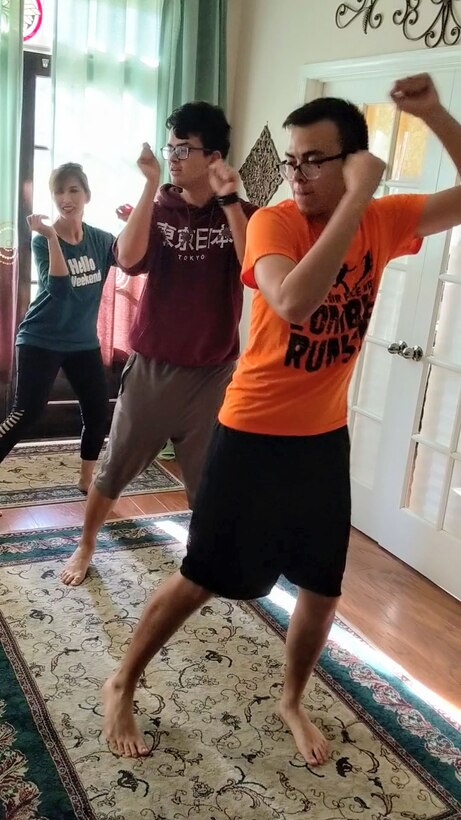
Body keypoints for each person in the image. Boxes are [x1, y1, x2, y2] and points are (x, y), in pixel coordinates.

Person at [100, 74, 461, 764]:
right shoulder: (274, 222)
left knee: (322, 588)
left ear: (351, 160)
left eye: (311, 160)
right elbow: (293, 302)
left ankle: (290, 697)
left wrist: (438, 114)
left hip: (321, 440)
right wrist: (356, 198)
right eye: (290, 159)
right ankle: (123, 679)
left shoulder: (382, 221)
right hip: (251, 434)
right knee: (203, 574)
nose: (294, 173)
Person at [60, 101, 256, 586]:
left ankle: (202, 560)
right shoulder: (160, 205)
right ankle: (85, 546)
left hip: (212, 374)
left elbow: (255, 266)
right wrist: (149, 186)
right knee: (114, 467)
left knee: (207, 482)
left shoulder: (241, 213)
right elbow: (125, 259)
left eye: (182, 149)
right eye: (170, 146)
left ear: (212, 156)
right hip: (153, 368)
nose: (172, 156)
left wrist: (230, 203)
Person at [0, 163, 114, 493]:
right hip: (40, 339)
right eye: (59, 191)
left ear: (87, 195)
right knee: (26, 413)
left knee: (97, 413)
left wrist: (135, 218)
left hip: (82, 343)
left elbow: (136, 260)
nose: (66, 198)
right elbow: (61, 290)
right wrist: (51, 236)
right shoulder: (42, 242)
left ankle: (85, 480)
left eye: (73, 190)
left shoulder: (101, 240)